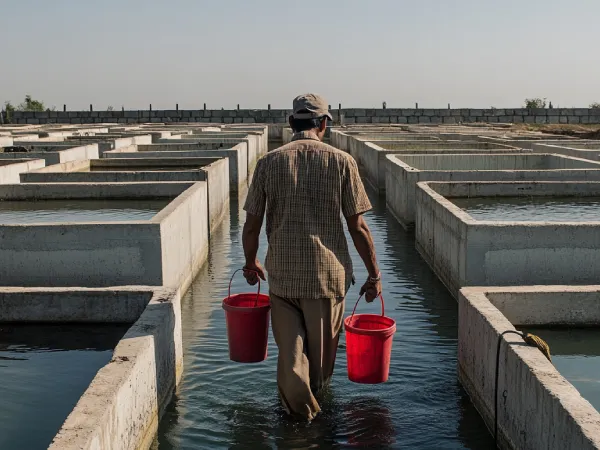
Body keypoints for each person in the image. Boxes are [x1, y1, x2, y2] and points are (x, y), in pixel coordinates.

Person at [241, 93, 382, 421]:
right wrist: (374, 275)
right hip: (326, 282)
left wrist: (251, 262)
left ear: (291, 124)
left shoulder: (268, 163)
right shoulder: (342, 162)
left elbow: (251, 225)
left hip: (284, 281)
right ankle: (312, 423)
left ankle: (298, 421)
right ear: (323, 125)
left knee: (291, 363)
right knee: (319, 373)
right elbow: (358, 226)